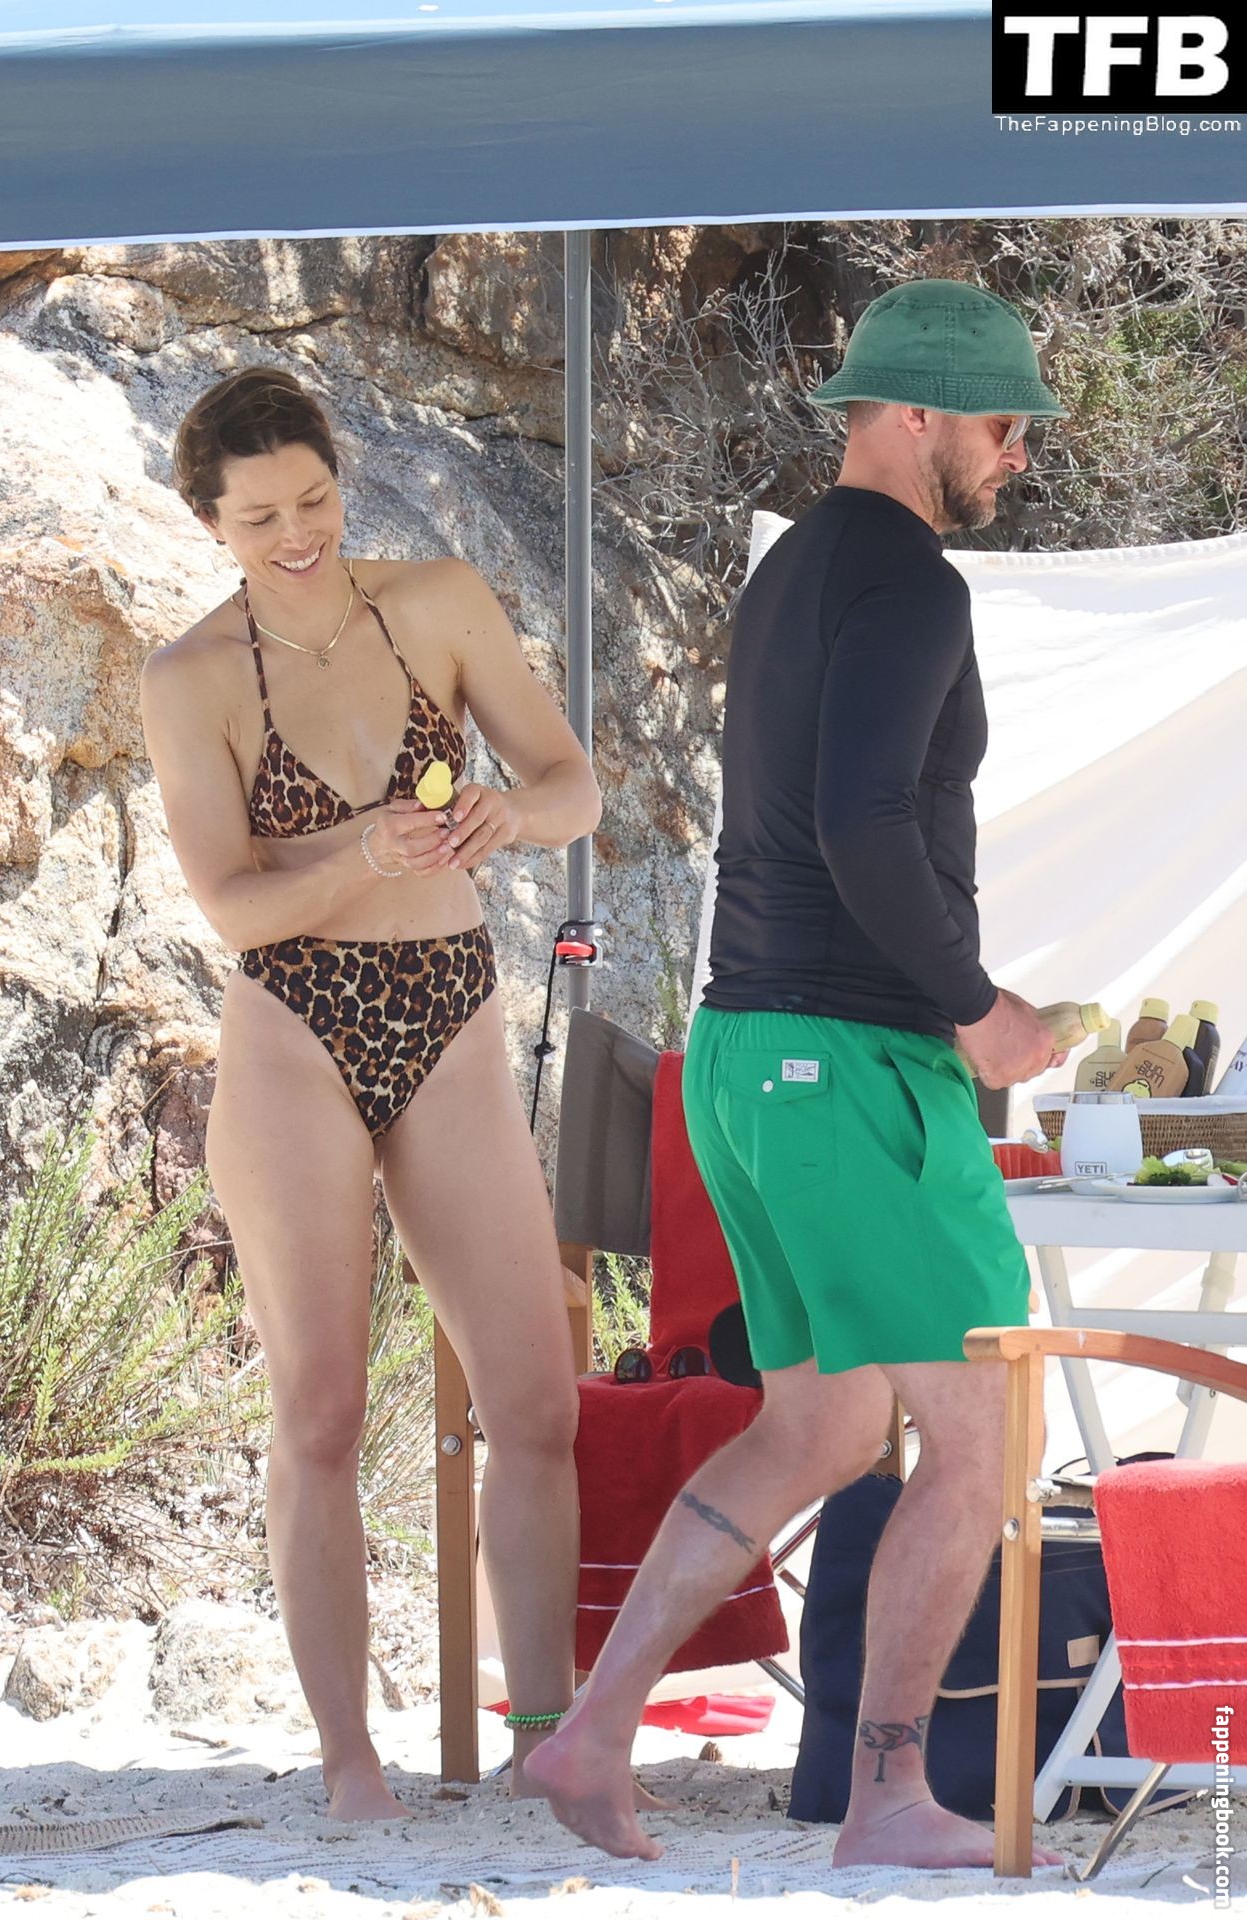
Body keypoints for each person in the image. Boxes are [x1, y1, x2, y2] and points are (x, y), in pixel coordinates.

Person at [529, 280, 1071, 1867]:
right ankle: (889, 1794)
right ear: (914, 414)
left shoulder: (792, 571)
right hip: (848, 1059)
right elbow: (862, 823)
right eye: (1002, 423)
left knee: (821, 1429)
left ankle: (590, 1733)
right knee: (983, 1429)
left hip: (743, 1053)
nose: (1017, 454)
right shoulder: (909, 580)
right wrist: (977, 1009)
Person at [141, 366, 600, 1821]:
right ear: (212, 524)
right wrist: (362, 857)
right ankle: (350, 1761)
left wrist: (506, 814)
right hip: (295, 1026)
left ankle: (545, 1732)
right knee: (323, 1410)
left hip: (451, 1006)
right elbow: (231, 904)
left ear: (343, 479)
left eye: (317, 500)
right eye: (261, 517)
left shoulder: (439, 603)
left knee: (536, 1401)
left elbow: (573, 785)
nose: (298, 535)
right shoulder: (191, 678)